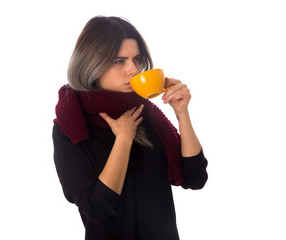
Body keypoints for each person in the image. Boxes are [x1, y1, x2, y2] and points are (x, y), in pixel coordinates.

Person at [52, 16, 208, 240]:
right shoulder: (70, 125)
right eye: (119, 61)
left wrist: (182, 113)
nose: (133, 69)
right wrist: (124, 139)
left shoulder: (147, 113)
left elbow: (196, 177)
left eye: (136, 59)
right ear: (91, 62)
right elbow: (96, 209)